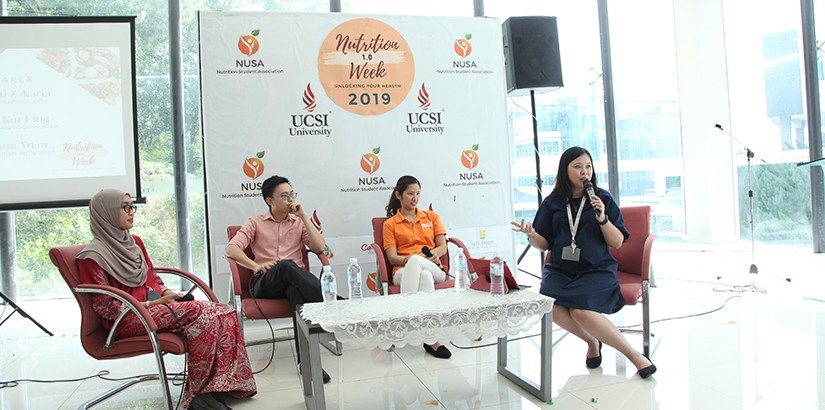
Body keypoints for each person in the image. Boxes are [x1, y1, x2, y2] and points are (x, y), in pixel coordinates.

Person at [76, 189, 256, 410]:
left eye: (132, 206)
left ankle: (217, 388)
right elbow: (106, 306)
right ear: (106, 213)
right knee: (204, 312)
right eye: (124, 207)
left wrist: (166, 294)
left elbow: (153, 280)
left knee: (224, 312)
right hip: (128, 319)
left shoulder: (135, 243)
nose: (131, 211)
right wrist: (151, 304)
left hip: (155, 311)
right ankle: (199, 396)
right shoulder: (92, 257)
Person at [511, 146, 657, 379]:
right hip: (560, 269)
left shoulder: (602, 198)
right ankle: (591, 341)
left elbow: (618, 242)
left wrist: (603, 218)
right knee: (553, 308)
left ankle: (634, 356)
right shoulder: (553, 202)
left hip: (595, 268)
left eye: (588, 166)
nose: (584, 172)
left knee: (581, 311)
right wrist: (530, 235)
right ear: (565, 171)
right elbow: (544, 244)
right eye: (577, 167)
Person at [225, 175, 332, 383]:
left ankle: (307, 363)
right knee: (285, 264)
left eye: (292, 194)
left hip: (294, 283)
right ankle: (333, 302)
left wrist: (304, 217)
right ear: (269, 200)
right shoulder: (255, 222)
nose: (291, 199)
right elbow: (231, 248)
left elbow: (320, 248)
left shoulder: (299, 223)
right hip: (265, 283)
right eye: (284, 196)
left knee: (296, 293)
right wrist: (255, 265)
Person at [383, 175, 452, 359]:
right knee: (423, 275)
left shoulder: (431, 216)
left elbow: (442, 247)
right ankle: (431, 339)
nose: (415, 198)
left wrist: (424, 257)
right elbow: (392, 258)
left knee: (421, 266)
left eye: (418, 194)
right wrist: (415, 259)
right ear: (399, 195)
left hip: (435, 267)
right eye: (410, 194)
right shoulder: (390, 224)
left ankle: (403, 321)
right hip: (402, 272)